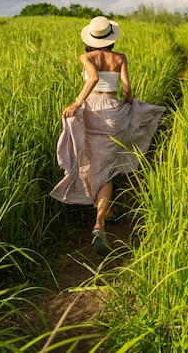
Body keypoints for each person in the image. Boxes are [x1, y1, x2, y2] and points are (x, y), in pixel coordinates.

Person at [50, 16, 165, 256]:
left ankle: (100, 221)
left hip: (92, 112)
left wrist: (77, 102)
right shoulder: (120, 58)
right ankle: (105, 216)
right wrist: (130, 104)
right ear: (110, 38)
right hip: (114, 113)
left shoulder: (86, 57)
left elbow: (92, 78)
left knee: (94, 163)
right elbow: (126, 88)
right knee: (108, 167)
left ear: (91, 38)